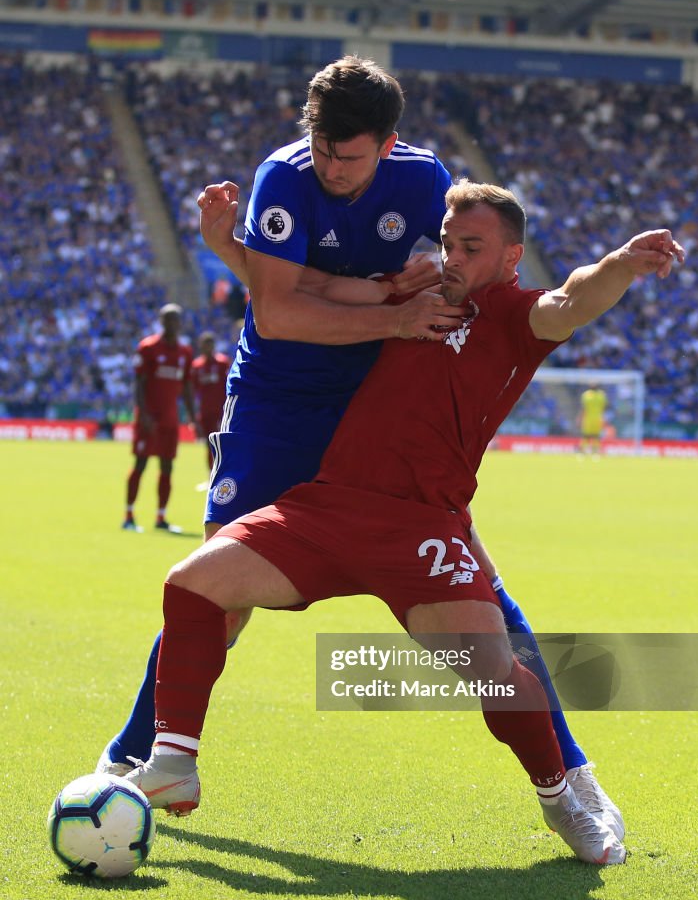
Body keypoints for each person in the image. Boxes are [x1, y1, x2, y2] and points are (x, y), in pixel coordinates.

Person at [101, 57, 616, 835]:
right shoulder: (284, 175)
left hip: (374, 395)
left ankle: (570, 771)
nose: (332, 169)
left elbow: (426, 287)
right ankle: (135, 757)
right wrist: (390, 313)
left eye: (350, 155)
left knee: (476, 583)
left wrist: (396, 301)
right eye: (322, 149)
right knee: (217, 590)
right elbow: (278, 315)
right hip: (280, 395)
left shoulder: (426, 185)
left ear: (389, 144)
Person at [125, 182, 684, 864]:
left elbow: (573, 298)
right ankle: (174, 759)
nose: (452, 256)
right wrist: (229, 247)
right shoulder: (413, 296)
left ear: (512, 255)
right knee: (191, 584)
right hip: (326, 507)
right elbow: (301, 297)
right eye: (448, 241)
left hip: (420, 528)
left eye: (471, 247)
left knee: (497, 674)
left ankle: (560, 797)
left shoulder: (516, 315)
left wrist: (622, 262)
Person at [122, 303, 196, 534]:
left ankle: (161, 517)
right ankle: (129, 515)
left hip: (169, 419)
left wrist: (193, 416)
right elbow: (139, 384)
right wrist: (142, 413)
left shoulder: (185, 352)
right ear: (161, 321)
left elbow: (186, 387)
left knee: (167, 466)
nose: (172, 324)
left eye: (176, 319)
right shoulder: (148, 347)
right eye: (168, 319)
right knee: (141, 463)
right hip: (149, 419)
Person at [190, 331, 231, 474]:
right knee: (208, 445)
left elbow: (229, 386)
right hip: (205, 412)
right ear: (201, 346)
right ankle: (210, 477)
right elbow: (192, 391)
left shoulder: (222, 363)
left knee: (220, 445)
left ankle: (223, 475)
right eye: (205, 345)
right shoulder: (196, 366)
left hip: (221, 412)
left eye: (210, 344)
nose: (208, 348)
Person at [579, 383, 608, 455]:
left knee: (586, 436)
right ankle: (595, 451)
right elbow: (604, 407)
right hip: (598, 418)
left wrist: (580, 418)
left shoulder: (586, 395)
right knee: (596, 436)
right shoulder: (602, 395)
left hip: (588, 418)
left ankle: (583, 450)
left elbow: (583, 408)